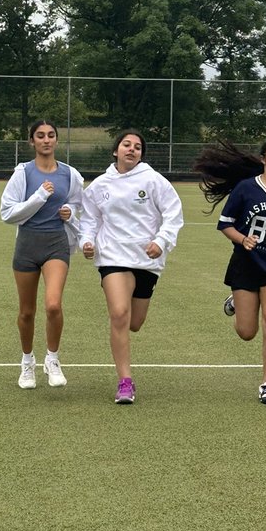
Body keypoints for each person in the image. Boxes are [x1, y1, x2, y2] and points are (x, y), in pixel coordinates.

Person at [194, 137, 266, 405]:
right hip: (245, 265)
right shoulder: (245, 188)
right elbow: (225, 224)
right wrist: (242, 239)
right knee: (247, 332)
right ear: (263, 159)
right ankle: (236, 301)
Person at [80, 130, 184, 405]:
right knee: (119, 314)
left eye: (137, 147)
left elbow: (173, 214)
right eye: (126, 145)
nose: (132, 149)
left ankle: (126, 373)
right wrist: (87, 241)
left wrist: (161, 241)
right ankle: (125, 382)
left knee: (134, 323)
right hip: (112, 257)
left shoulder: (153, 180)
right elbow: (89, 219)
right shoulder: (100, 185)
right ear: (116, 150)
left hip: (146, 260)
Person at [0, 120, 84, 389]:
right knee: (27, 312)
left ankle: (52, 359)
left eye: (50, 135)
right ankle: (27, 362)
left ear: (56, 140)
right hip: (27, 245)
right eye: (40, 136)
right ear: (31, 141)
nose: (46, 140)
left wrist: (70, 212)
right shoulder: (23, 173)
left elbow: (78, 204)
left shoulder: (70, 174)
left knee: (53, 305)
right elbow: (7, 212)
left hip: (56, 243)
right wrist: (39, 196)